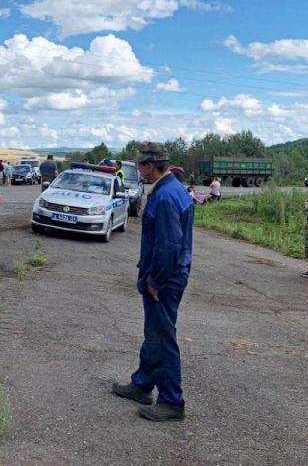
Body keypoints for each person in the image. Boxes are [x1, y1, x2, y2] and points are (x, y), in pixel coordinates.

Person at [112, 142, 193, 422]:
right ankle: (143, 383)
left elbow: (169, 245)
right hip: (166, 275)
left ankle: (172, 400)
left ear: (148, 165)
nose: (139, 171)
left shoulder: (166, 196)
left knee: (162, 337)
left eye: (140, 166)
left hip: (165, 279)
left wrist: (155, 281)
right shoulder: (172, 189)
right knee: (154, 332)